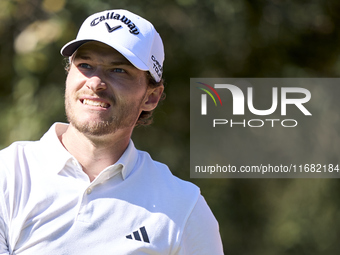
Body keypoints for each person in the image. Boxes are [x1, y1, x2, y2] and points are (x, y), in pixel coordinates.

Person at [0, 9, 223, 254]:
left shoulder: (184, 207)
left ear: (151, 97)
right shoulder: (9, 174)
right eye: (85, 65)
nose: (95, 83)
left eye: (119, 70)